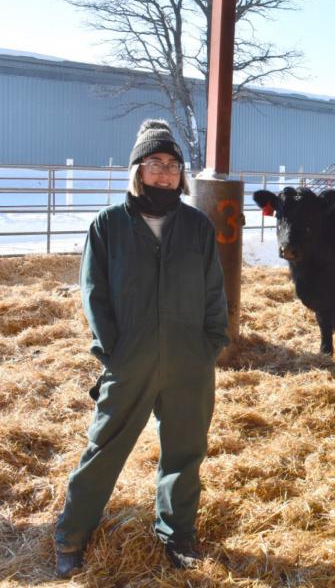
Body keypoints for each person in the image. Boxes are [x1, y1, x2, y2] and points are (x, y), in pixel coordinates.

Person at [54, 119, 229, 578]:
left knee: (185, 452)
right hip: (129, 359)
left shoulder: (196, 226)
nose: (166, 173)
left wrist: (211, 344)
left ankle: (178, 535)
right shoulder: (109, 225)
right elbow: (94, 294)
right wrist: (114, 351)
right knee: (105, 447)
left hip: (189, 361)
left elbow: (215, 292)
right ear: (138, 170)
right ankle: (70, 535)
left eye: (173, 165)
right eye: (155, 164)